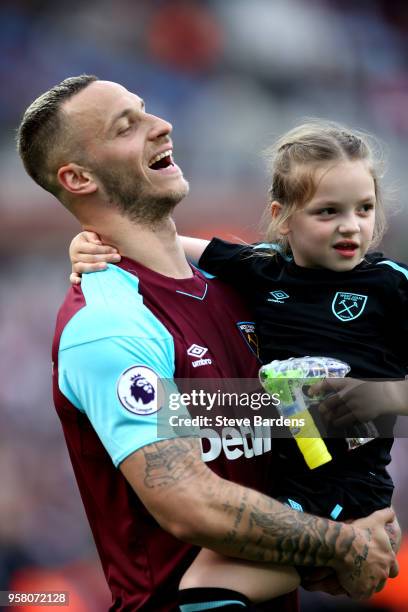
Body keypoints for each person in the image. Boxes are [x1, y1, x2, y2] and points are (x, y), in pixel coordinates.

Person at [17, 77, 398, 612]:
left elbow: (251, 418)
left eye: (146, 110)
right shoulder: (108, 322)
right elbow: (189, 504)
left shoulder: (241, 292)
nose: (162, 125)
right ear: (78, 177)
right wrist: (341, 545)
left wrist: (360, 500)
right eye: (126, 126)